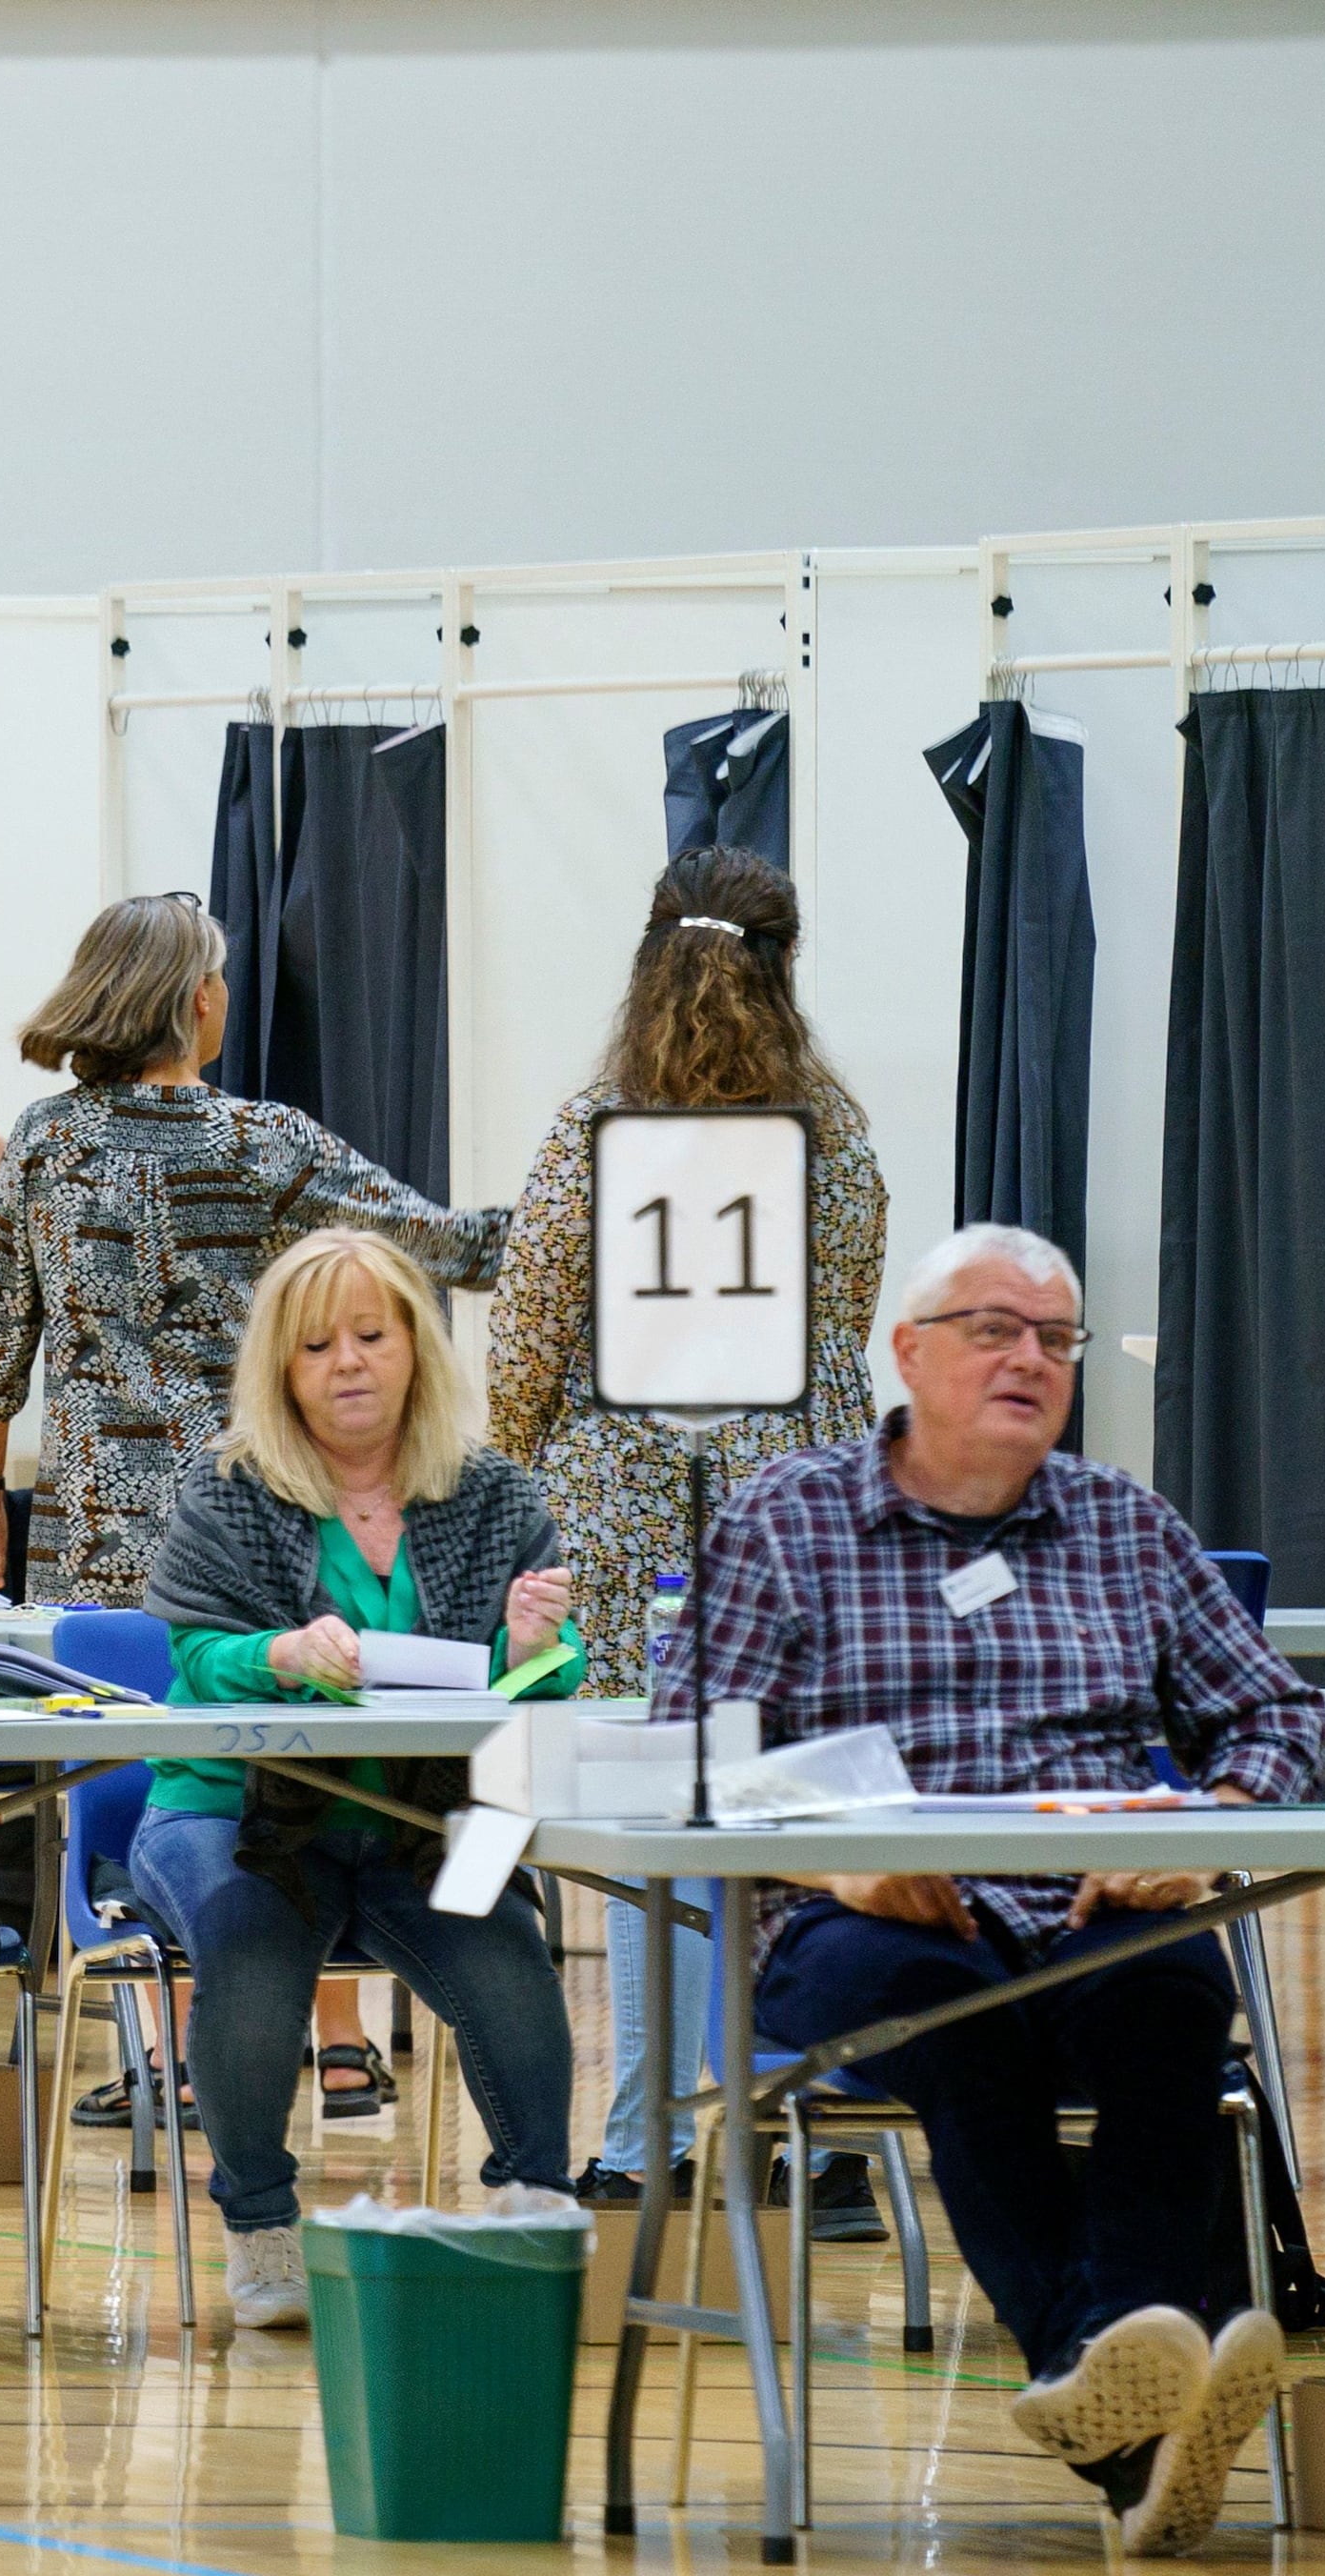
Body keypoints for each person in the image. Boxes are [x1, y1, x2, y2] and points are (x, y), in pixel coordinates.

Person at [667, 1223, 1323, 2558]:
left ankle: (1119, 2406)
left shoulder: (1126, 1525)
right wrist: (834, 1857)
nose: (1031, 1358)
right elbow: (692, 1758)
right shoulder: (785, 1521)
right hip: (856, 1917)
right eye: (996, 1330)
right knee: (957, 2020)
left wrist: (1212, 1823)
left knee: (1170, 2000)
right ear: (908, 1352)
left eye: (1056, 1339)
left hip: (1091, 1905)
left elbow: (1274, 1713)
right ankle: (1134, 2386)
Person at [0, 893, 510, 2131]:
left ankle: (168, 2056)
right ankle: (346, 2044)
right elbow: (437, 1243)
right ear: (198, 1002)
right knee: (293, 1769)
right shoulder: (265, 1142)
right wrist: (592, 1224)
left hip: (95, 1536)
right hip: (254, 1527)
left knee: (145, 1781)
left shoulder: (42, 1145)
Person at [487, 849, 888, 2210]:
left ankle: (641, 2140)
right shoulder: (830, 1134)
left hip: (620, 1506)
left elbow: (531, 1331)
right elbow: (842, 1326)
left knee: (653, 1838)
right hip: (794, 1502)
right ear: (787, 965)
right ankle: (801, 2127)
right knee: (782, 1819)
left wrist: (527, 1467)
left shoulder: (593, 1122)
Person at [134, 1227, 579, 2331]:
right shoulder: (225, 1488)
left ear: (415, 1350)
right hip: (228, 1807)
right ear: (278, 1369)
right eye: (316, 1344)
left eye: (371, 1336)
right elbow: (195, 1661)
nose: (347, 1363)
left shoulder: (492, 1495)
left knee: (511, 1954)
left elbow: (534, 1699)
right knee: (244, 1948)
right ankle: (259, 2223)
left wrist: (532, 1651)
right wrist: (278, 1654)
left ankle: (534, 2208)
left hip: (421, 1816)